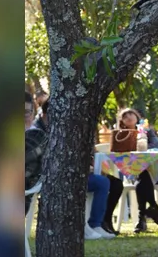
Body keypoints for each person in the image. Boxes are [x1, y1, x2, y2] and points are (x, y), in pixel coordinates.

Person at [25, 99, 114, 240]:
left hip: (69, 173)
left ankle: (95, 224)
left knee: (104, 182)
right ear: (44, 114)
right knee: (74, 183)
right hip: (45, 179)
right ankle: (82, 227)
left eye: (28, 112)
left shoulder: (68, 127)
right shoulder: (36, 131)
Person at [101, 108, 158, 234]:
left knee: (144, 173)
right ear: (122, 121)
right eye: (125, 116)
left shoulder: (147, 131)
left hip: (154, 172)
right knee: (141, 174)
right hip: (131, 172)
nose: (129, 117)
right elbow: (116, 151)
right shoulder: (120, 135)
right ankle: (152, 208)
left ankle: (142, 217)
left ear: (137, 117)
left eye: (131, 114)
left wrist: (141, 146)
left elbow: (157, 146)